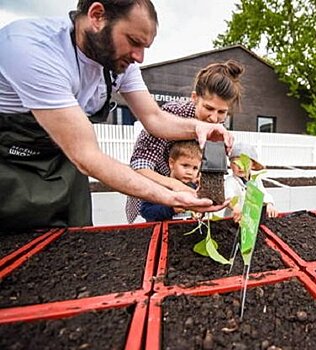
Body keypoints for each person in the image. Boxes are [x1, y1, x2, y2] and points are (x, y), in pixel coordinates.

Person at [0, 0, 232, 232]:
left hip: (64, 163)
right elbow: (86, 156)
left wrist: (198, 129)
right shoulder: (32, 49)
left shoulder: (117, 65)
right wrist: (173, 196)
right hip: (11, 165)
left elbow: (154, 118)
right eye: (133, 42)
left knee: (77, 244)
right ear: (97, 16)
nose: (139, 57)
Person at [126, 60, 244, 223]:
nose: (214, 118)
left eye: (222, 112)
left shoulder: (217, 126)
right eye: (208, 108)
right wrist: (176, 186)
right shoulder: (170, 114)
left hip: (188, 200)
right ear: (195, 98)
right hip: (156, 197)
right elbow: (139, 168)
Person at [140, 140, 202, 221]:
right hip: (163, 231)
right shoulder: (158, 186)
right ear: (171, 163)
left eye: (195, 168)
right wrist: (170, 209)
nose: (190, 172)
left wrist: (199, 213)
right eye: (185, 165)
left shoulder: (194, 189)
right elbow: (145, 211)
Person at [224, 142, 278, 223]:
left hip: (251, 222)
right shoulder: (230, 181)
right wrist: (235, 207)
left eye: (244, 163)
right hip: (233, 220)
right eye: (236, 163)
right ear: (231, 165)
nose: (240, 167)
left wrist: (269, 204)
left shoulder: (255, 181)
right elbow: (228, 196)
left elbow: (263, 194)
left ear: (252, 165)